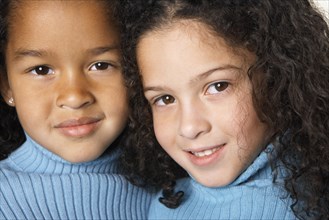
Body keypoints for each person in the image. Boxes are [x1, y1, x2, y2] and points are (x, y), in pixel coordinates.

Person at [118, 0, 329, 219]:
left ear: (276, 74)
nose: (189, 127)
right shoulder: (164, 203)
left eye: (218, 87)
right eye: (165, 99)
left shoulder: (309, 205)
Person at [0, 0, 152, 219]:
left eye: (101, 65)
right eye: (41, 70)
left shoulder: (172, 190)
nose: (74, 97)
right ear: (6, 85)